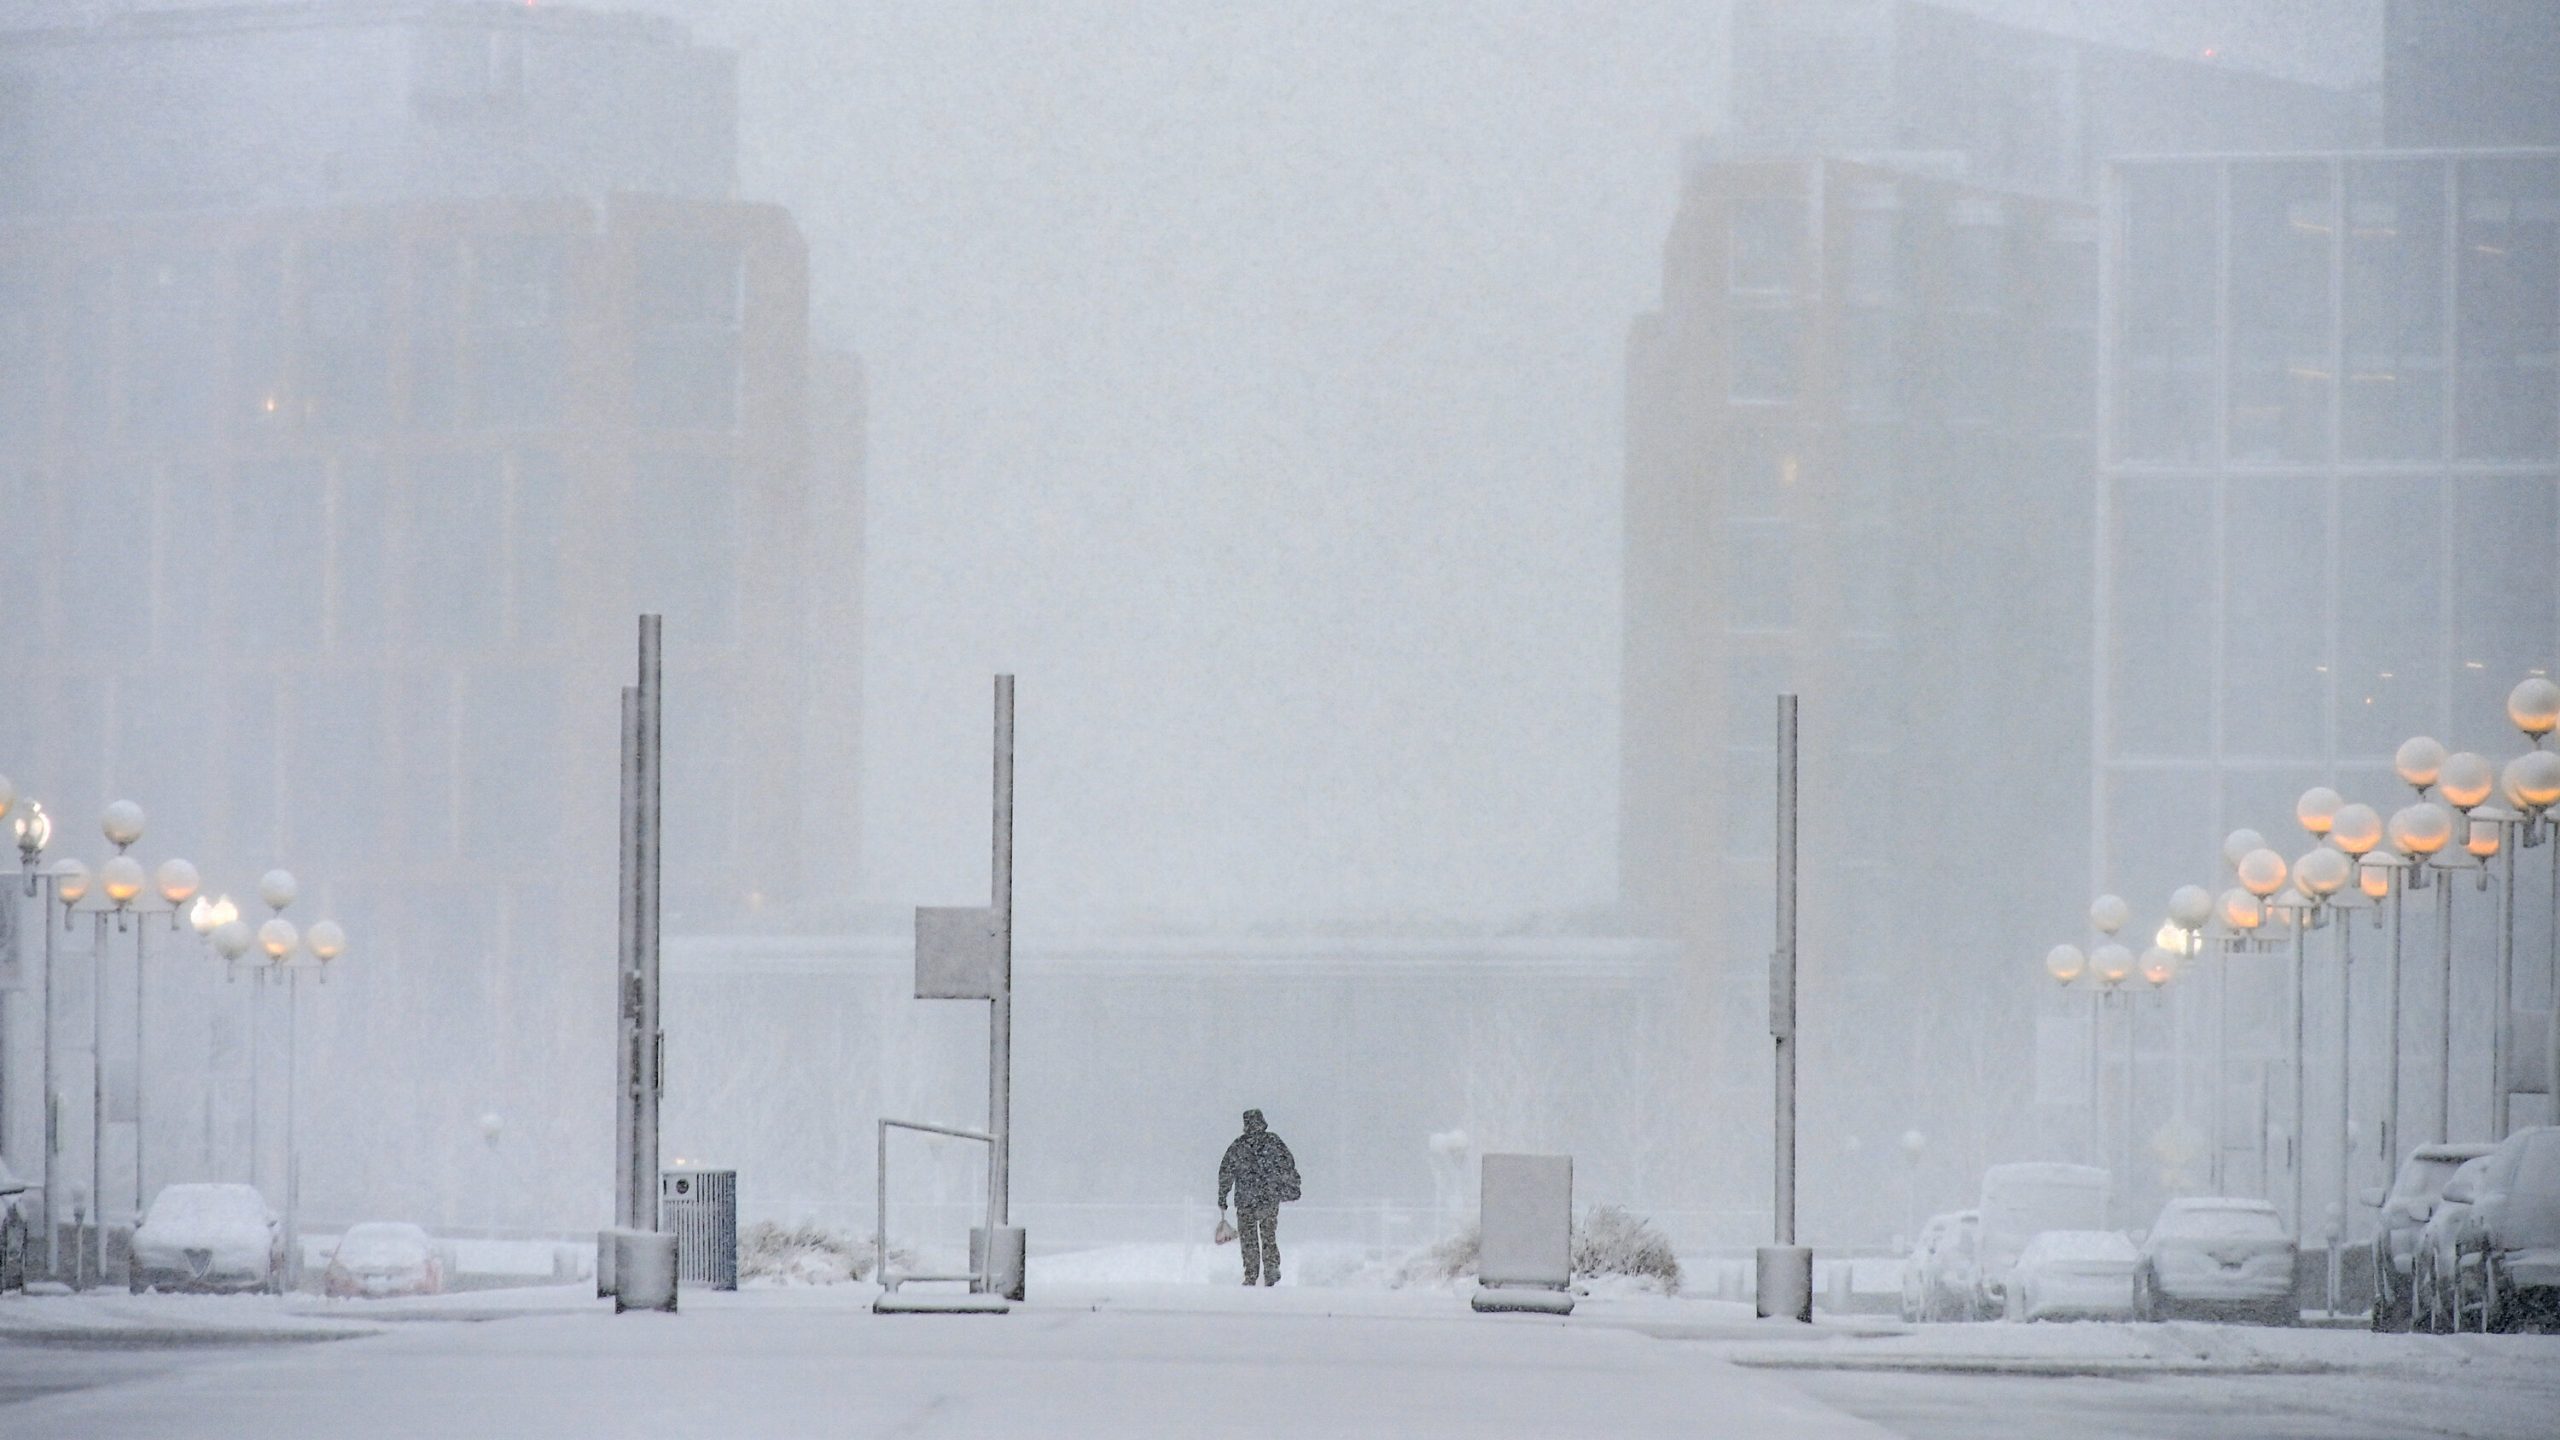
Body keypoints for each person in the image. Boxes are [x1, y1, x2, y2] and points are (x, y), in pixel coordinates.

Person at [1217, 1109, 1301, 1286]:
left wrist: (1223, 1195)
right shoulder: (1273, 1142)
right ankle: (1271, 1269)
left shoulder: (1239, 1145)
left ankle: (1251, 1274)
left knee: (1249, 1240)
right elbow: (1287, 1164)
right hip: (1268, 1198)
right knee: (1268, 1235)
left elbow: (1226, 1171)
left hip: (1246, 1200)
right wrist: (1289, 1185)